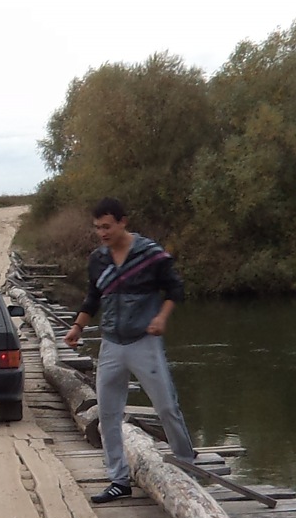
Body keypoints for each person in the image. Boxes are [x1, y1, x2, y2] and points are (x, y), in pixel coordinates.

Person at [62, 197, 198, 502]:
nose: (102, 233)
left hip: (143, 341)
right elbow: (93, 298)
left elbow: (175, 289)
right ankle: (118, 479)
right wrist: (78, 327)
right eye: (97, 227)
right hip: (111, 343)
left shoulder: (151, 255)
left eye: (107, 226)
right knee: (108, 413)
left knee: (166, 406)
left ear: (123, 222)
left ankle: (188, 467)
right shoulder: (98, 260)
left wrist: (161, 318)